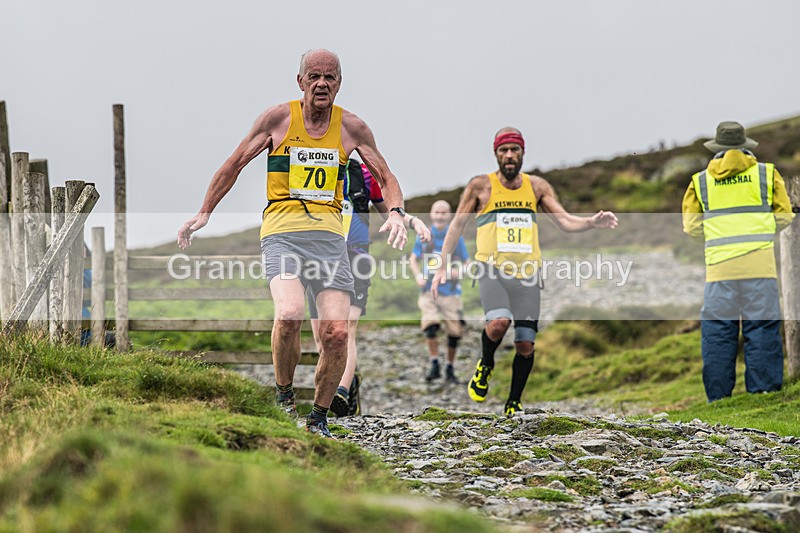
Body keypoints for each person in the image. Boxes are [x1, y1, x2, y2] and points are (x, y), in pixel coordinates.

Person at [177, 49, 416, 438]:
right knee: (289, 314)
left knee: (336, 333)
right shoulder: (278, 119)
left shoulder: (352, 127)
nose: (322, 84)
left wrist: (395, 213)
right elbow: (234, 163)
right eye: (315, 76)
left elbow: (386, 176)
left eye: (330, 77)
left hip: (329, 241)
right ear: (301, 80)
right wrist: (205, 212)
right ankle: (284, 395)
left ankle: (319, 418)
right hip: (282, 232)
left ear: (339, 83)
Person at [431, 127, 618, 416]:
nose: (508, 156)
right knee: (498, 323)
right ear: (495, 154)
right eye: (503, 151)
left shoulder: (537, 187)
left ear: (522, 153)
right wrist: (442, 262)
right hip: (491, 268)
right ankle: (486, 364)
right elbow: (457, 224)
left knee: (526, 343)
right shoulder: (481, 186)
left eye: (514, 150)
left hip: (529, 273)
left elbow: (564, 222)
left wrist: (592, 222)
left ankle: (513, 403)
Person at [682, 121, 795, 402]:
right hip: (761, 267)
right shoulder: (767, 175)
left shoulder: (700, 181)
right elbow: (784, 216)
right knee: (762, 329)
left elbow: (691, 227)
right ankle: (764, 393)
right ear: (746, 146)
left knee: (719, 334)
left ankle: (719, 400)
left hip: (719, 271)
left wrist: (718, 237)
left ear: (717, 149)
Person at [307, 159, 429, 417]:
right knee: (323, 336)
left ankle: (340, 390)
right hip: (317, 258)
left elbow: (390, 211)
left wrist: (411, 221)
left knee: (346, 327)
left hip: (355, 256)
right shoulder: (310, 164)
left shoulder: (363, 173)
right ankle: (348, 381)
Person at [410, 200, 468, 384]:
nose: (440, 215)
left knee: (454, 331)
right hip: (428, 291)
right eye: (437, 212)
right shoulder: (424, 235)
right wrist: (418, 275)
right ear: (432, 214)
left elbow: (467, 262)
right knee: (430, 324)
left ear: (449, 215)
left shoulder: (456, 236)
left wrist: (457, 272)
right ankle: (434, 362)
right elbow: (413, 259)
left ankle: (450, 367)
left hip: (450, 291)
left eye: (444, 212)